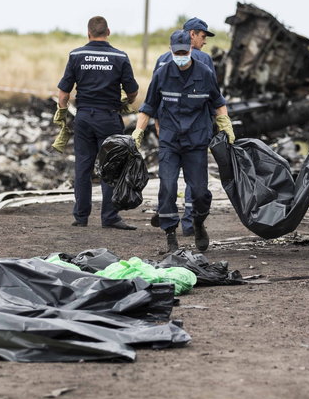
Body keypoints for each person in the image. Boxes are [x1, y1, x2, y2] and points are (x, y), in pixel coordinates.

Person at [132, 30, 235, 253]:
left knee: (199, 192)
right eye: (176, 52)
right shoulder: (162, 73)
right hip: (170, 140)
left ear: (190, 49)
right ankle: (170, 235)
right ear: (171, 50)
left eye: (184, 51)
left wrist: (226, 124)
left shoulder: (205, 73)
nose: (180, 55)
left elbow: (218, 102)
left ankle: (198, 223)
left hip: (196, 141)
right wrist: (138, 133)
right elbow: (148, 106)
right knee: (167, 187)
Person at [57, 16, 139, 229]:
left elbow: (63, 92)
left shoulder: (76, 55)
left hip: (83, 117)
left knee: (83, 167)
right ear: (108, 32)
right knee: (110, 167)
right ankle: (110, 217)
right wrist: (126, 102)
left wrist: (63, 116)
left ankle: (81, 217)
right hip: (109, 119)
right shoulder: (120, 57)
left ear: (88, 33)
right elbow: (133, 92)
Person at [150, 17, 216, 236]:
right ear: (192, 35)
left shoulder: (162, 59)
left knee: (173, 182)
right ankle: (190, 223)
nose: (204, 42)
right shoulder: (204, 60)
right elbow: (211, 98)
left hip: (170, 129)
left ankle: (180, 220)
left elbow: (156, 98)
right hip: (193, 131)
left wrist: (158, 123)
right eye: (203, 36)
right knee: (193, 181)